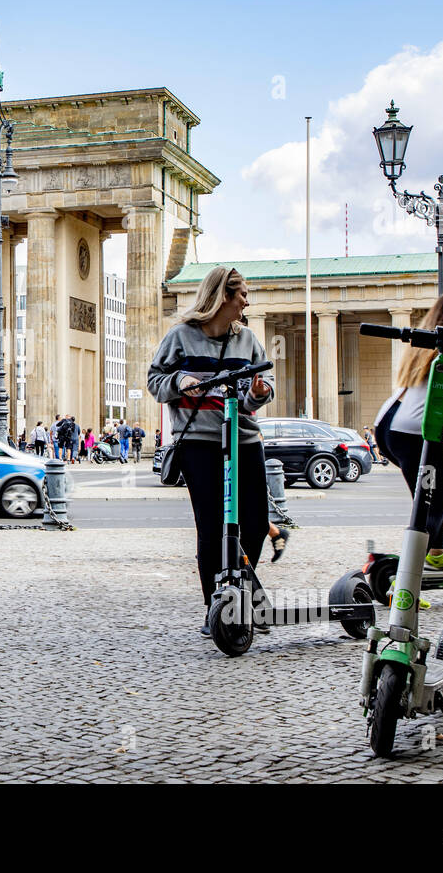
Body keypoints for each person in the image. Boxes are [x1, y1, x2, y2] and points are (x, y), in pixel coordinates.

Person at [148, 266, 274, 636]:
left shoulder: (247, 339)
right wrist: (180, 380)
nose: (247, 302)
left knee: (255, 523)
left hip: (244, 440)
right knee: (212, 527)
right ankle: (217, 606)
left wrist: (259, 393)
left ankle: (240, 588)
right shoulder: (180, 337)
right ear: (223, 297)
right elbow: (156, 382)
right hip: (198, 443)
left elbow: (260, 390)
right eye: (242, 295)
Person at [373, 293, 443, 571]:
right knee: (432, 505)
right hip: (414, 431)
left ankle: (437, 552)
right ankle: (405, 582)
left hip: (390, 423)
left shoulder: (426, 343)